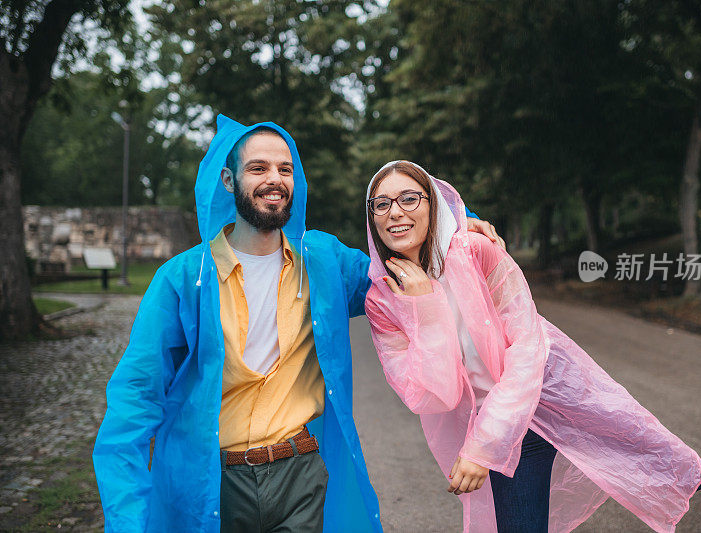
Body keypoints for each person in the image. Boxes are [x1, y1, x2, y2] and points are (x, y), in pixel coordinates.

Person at [92, 117, 500, 532]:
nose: (275, 179)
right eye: (259, 168)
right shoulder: (183, 279)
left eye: (285, 169)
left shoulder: (324, 261)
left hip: (301, 478)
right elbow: (135, 401)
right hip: (211, 486)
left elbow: (398, 258)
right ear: (228, 180)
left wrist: (457, 223)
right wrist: (127, 521)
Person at [363, 160, 701, 533]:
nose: (395, 212)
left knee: (648, 453)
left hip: (546, 394)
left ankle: (682, 471)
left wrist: (484, 447)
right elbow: (432, 396)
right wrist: (424, 307)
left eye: (409, 198)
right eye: (381, 204)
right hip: (497, 425)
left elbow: (527, 349)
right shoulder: (382, 301)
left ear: (433, 204)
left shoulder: (478, 251)